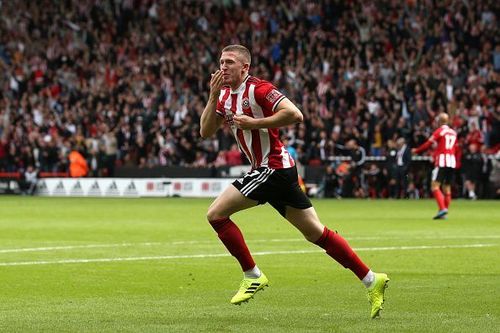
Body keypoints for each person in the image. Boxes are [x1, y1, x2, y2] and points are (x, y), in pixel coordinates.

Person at [199, 45, 389, 318]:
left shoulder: (259, 89)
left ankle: (252, 275)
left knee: (216, 214)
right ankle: (371, 279)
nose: (223, 66)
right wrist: (212, 95)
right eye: (221, 61)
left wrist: (254, 123)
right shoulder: (224, 96)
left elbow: (295, 114)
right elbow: (205, 132)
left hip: (272, 168)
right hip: (279, 170)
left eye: (229, 62)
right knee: (316, 233)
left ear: (245, 67)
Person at [412, 113, 458, 219]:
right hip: (451, 161)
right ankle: (443, 213)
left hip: (442, 161)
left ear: (439, 121)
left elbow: (429, 143)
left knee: (435, 186)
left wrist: (417, 150)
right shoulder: (453, 133)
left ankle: (442, 209)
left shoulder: (440, 131)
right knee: (447, 188)